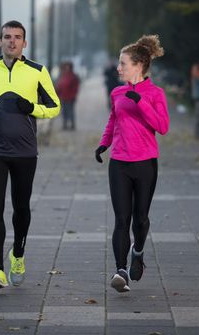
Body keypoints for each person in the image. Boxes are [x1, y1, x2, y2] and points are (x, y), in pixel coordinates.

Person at [0, 20, 60, 290]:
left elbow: (54, 106)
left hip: (25, 152)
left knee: (21, 208)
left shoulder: (37, 71)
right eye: (7, 37)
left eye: (17, 37)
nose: (12, 41)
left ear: (24, 43)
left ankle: (17, 255)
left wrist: (31, 107)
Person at [95, 35, 169, 293]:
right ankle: (120, 270)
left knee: (140, 219)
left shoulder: (156, 94)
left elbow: (162, 127)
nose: (118, 68)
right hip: (119, 163)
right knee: (121, 219)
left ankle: (138, 252)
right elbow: (113, 121)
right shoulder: (118, 92)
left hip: (145, 164)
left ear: (138, 65)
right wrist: (104, 144)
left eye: (123, 63)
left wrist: (143, 104)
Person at [56, 61, 80, 130]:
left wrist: (74, 95)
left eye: (68, 67)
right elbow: (59, 86)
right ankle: (65, 125)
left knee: (71, 111)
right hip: (63, 97)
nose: (67, 68)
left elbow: (76, 87)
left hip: (70, 97)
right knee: (64, 112)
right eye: (65, 67)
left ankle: (72, 125)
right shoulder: (62, 75)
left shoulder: (73, 76)